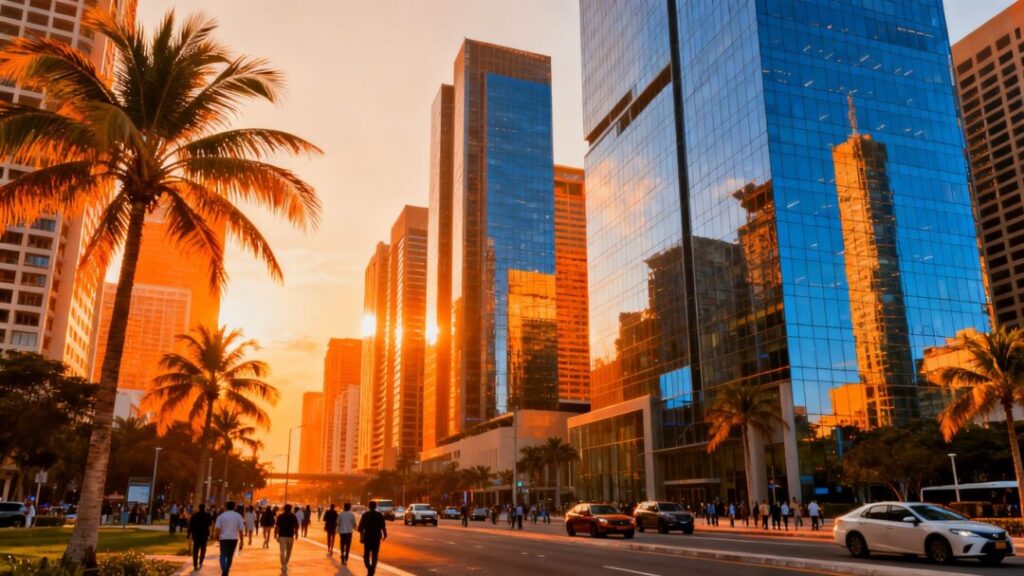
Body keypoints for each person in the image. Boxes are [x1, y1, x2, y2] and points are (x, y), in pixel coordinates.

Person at [357, 500, 388, 576]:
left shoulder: (365, 515)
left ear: (369, 506)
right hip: (376, 537)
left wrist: (361, 536)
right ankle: (373, 568)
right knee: (375, 554)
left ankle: (369, 568)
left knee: (366, 555)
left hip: (367, 537)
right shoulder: (379, 515)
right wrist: (385, 535)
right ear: (376, 506)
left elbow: (360, 528)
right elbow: (383, 527)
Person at [214, 500, 244, 576]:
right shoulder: (238, 516)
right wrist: (242, 541)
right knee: (230, 555)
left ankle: (225, 569)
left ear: (226, 507)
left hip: (223, 538)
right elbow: (241, 530)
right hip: (234, 538)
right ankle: (226, 571)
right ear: (234, 507)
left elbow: (217, 529)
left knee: (223, 555)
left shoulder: (221, 516)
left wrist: (216, 536)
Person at [275, 504, 300, 573]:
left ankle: (284, 564)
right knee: (288, 552)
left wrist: (275, 535)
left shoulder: (280, 516)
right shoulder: (293, 516)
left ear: (284, 509)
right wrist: (297, 534)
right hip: (290, 536)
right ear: (290, 509)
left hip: (282, 536)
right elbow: (296, 526)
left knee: (282, 552)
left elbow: (277, 526)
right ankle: (285, 564)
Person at [188, 504, 213, 572]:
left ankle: (195, 564)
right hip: (204, 535)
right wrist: (210, 534)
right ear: (204, 508)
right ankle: (201, 561)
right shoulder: (207, 515)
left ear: (199, 508)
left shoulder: (194, 515)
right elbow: (210, 525)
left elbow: (190, 525)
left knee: (195, 550)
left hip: (196, 535)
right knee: (203, 549)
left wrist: (189, 534)